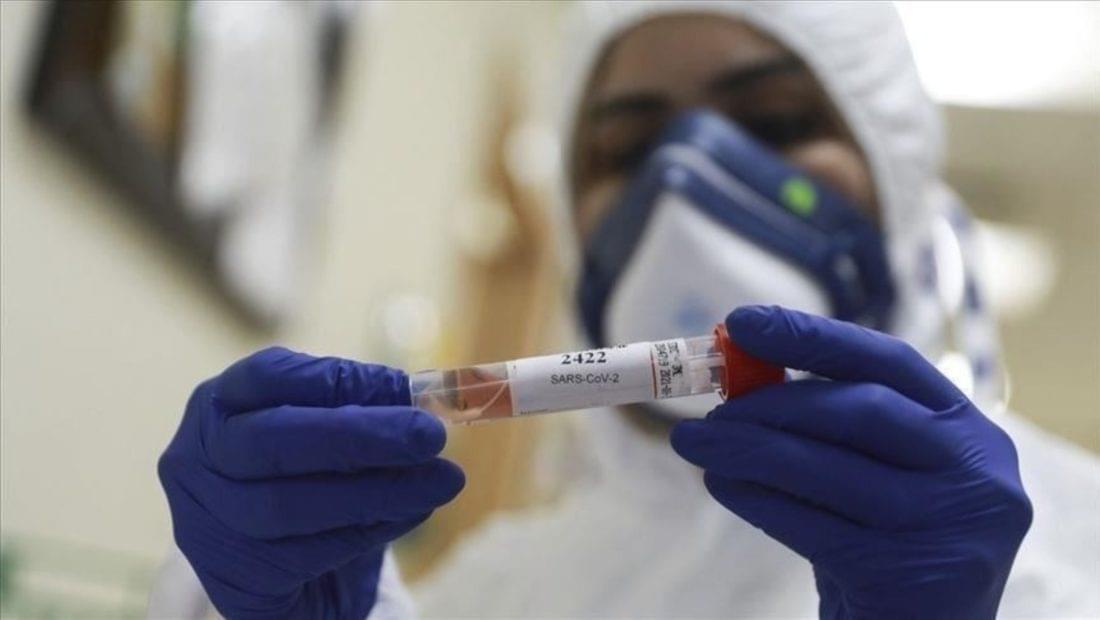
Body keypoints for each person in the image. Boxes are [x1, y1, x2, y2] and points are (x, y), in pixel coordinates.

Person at [151, 2, 1100, 618]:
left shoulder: (1076, 533)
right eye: (626, 149)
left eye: (775, 124)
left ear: (895, 181)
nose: (683, 183)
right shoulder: (503, 589)